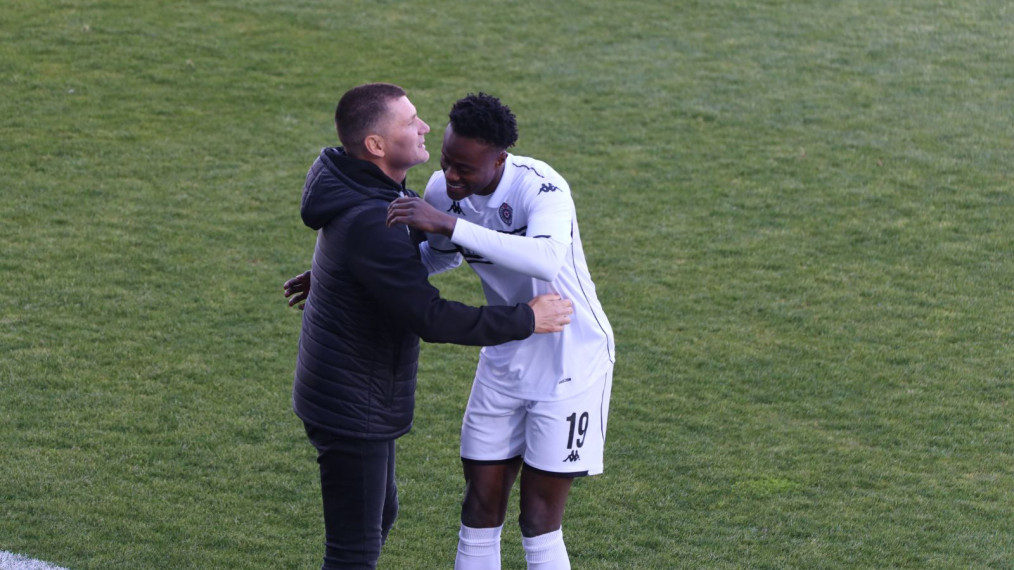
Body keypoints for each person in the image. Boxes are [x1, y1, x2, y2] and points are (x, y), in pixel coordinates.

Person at [284, 83, 574, 570]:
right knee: (353, 551)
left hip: (350, 392)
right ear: (376, 145)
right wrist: (527, 317)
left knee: (380, 514)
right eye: (410, 121)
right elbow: (429, 316)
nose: (424, 127)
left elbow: (388, 254)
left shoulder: (365, 185)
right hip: (353, 402)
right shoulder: (373, 216)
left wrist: (339, 273)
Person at [386, 93, 615, 570]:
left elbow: (546, 258)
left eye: (465, 169)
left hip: (570, 361)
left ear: (499, 159)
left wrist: (449, 224)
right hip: (505, 356)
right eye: (446, 160)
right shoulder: (442, 191)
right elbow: (437, 259)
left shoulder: (541, 187)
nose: (451, 176)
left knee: (539, 518)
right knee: (479, 506)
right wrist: (345, 273)